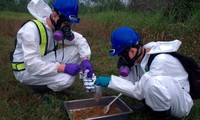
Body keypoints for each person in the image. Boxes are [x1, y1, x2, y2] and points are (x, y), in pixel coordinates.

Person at [94, 26, 193, 119]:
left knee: (152, 84)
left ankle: (163, 117)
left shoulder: (160, 60)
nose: (122, 60)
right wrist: (110, 82)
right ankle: (152, 108)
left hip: (181, 103)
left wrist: (111, 81)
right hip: (167, 94)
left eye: (121, 56)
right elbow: (127, 82)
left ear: (132, 51)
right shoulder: (139, 58)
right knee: (148, 83)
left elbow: (139, 91)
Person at [10, 0, 94, 94]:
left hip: (42, 61)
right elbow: (32, 65)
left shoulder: (55, 27)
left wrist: (85, 59)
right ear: (54, 15)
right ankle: (37, 88)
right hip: (25, 69)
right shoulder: (31, 30)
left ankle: (49, 81)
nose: (68, 27)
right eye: (66, 23)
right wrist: (63, 68)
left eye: (70, 24)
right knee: (66, 79)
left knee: (77, 50)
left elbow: (79, 40)